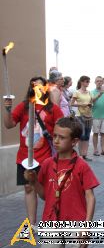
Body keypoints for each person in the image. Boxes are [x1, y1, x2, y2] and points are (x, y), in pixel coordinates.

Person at [24, 116, 99, 248]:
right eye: (55, 136)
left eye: (62, 137)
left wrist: (87, 226)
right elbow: (44, 196)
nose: (56, 141)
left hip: (76, 223)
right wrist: (34, 182)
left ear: (74, 141)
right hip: (51, 221)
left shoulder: (82, 166)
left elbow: (90, 197)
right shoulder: (47, 164)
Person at [3, 77, 64, 232]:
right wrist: (7, 109)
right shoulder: (24, 106)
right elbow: (9, 124)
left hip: (45, 157)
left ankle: (52, 220)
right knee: (29, 188)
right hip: (25, 158)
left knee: (49, 189)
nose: (37, 88)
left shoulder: (53, 108)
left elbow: (63, 128)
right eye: (34, 85)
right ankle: (32, 223)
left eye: (40, 86)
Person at [70, 76, 93, 161]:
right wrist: (81, 105)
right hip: (80, 115)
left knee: (87, 136)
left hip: (89, 115)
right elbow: (71, 104)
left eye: (89, 81)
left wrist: (90, 105)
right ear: (82, 82)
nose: (88, 83)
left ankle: (85, 154)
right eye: (87, 81)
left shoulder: (89, 92)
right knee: (81, 135)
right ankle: (80, 155)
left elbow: (91, 102)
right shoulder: (77, 92)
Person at [91, 76, 104, 156]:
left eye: (100, 81)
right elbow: (92, 100)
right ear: (95, 82)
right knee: (95, 133)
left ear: (102, 82)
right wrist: (100, 94)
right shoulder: (92, 92)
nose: (99, 82)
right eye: (97, 81)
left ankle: (103, 149)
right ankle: (95, 149)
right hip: (95, 115)